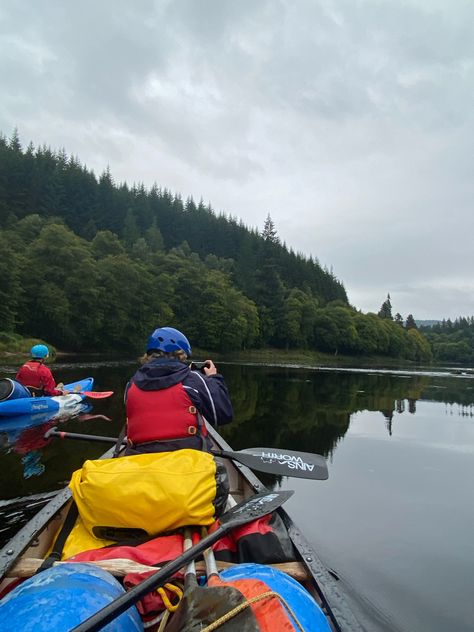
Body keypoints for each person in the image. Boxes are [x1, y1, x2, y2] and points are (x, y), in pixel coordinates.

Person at [124, 326, 233, 455]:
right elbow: (222, 415)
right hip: (188, 461)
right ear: (180, 354)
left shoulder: (131, 385)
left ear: (149, 355)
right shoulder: (193, 379)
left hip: (140, 458)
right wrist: (213, 378)